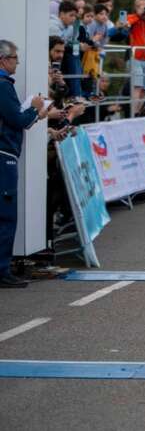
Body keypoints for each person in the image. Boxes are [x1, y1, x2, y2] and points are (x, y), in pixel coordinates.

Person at [0, 40, 48, 288]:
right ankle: (2, 271)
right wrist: (36, 111)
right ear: (3, 60)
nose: (17, 63)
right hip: (3, 155)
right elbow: (16, 119)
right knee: (6, 216)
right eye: (14, 58)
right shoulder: (3, 86)